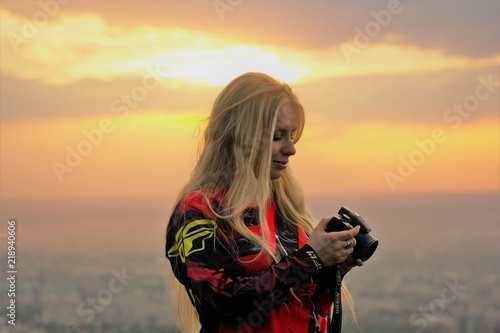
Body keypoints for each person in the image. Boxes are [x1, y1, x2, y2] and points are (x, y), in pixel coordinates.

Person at [165, 72, 364, 333]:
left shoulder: (285, 204)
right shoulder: (200, 211)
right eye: (276, 136)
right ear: (241, 136)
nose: (291, 149)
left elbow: (305, 306)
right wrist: (311, 258)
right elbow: (226, 302)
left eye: (291, 135)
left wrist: (331, 270)